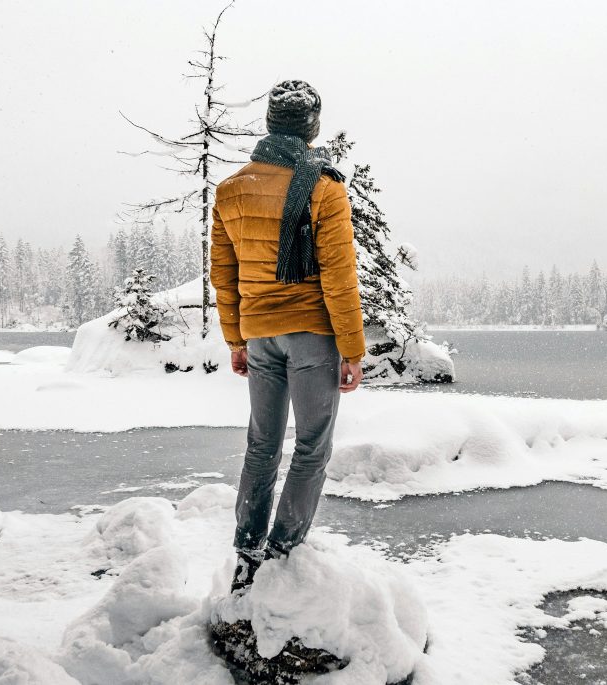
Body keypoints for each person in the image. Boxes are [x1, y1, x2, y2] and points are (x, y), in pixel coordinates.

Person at [209, 79, 366, 594]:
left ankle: (247, 552)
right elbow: (339, 276)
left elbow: (224, 277)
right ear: (311, 127)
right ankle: (283, 552)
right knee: (312, 448)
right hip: (311, 337)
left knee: (262, 446)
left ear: (271, 122)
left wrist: (236, 339)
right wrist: (352, 348)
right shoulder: (323, 187)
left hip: (260, 338)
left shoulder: (231, 191)